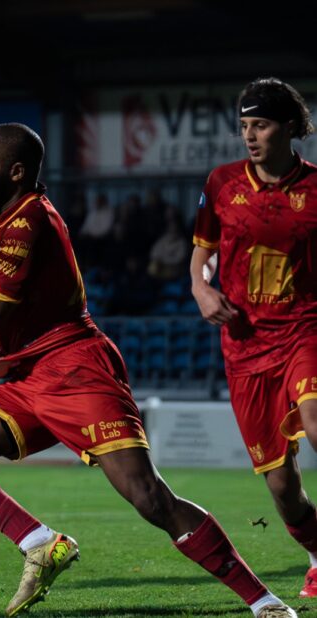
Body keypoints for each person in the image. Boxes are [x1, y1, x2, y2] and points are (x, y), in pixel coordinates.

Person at [0, 123, 297, 618]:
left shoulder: (26, 222)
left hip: (78, 371)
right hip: (32, 376)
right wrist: (9, 346)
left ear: (16, 171)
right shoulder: (5, 213)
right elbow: (20, 309)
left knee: (149, 498)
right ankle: (40, 541)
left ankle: (263, 600)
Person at [190, 76, 317, 600]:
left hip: (305, 329)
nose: (250, 135)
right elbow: (202, 256)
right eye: (244, 126)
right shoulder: (221, 183)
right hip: (244, 348)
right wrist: (201, 292)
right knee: (283, 489)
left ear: (289, 127)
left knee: (316, 420)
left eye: (260, 125)